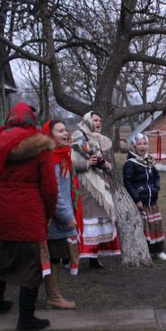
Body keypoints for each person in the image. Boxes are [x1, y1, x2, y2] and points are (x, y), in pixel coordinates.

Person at [0, 103, 58, 331]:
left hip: (4, 208)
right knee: (31, 265)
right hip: (29, 211)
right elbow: (49, 187)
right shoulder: (41, 146)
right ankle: (25, 319)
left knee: (1, 257)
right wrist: (48, 212)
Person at [70, 111, 120, 268]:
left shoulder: (102, 141)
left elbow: (111, 166)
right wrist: (86, 163)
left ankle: (94, 257)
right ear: (87, 121)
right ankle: (71, 258)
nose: (99, 123)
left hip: (101, 189)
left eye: (100, 120)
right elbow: (69, 164)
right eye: (95, 120)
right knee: (84, 222)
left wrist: (105, 164)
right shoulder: (77, 138)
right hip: (84, 188)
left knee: (99, 222)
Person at [40, 119, 77, 309]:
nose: (65, 133)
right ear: (49, 135)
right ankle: (52, 297)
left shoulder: (63, 156)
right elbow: (54, 193)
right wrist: (68, 217)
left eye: (66, 130)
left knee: (55, 256)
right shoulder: (51, 159)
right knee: (51, 256)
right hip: (52, 219)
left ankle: (52, 295)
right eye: (60, 130)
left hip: (59, 219)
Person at [123, 133, 166, 260]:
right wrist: (137, 199)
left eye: (144, 143)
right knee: (145, 227)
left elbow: (156, 177)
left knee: (156, 225)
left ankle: (158, 251)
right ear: (134, 146)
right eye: (139, 144)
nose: (142, 146)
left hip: (152, 201)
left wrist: (156, 189)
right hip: (141, 202)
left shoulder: (149, 161)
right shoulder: (130, 164)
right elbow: (128, 183)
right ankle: (146, 252)